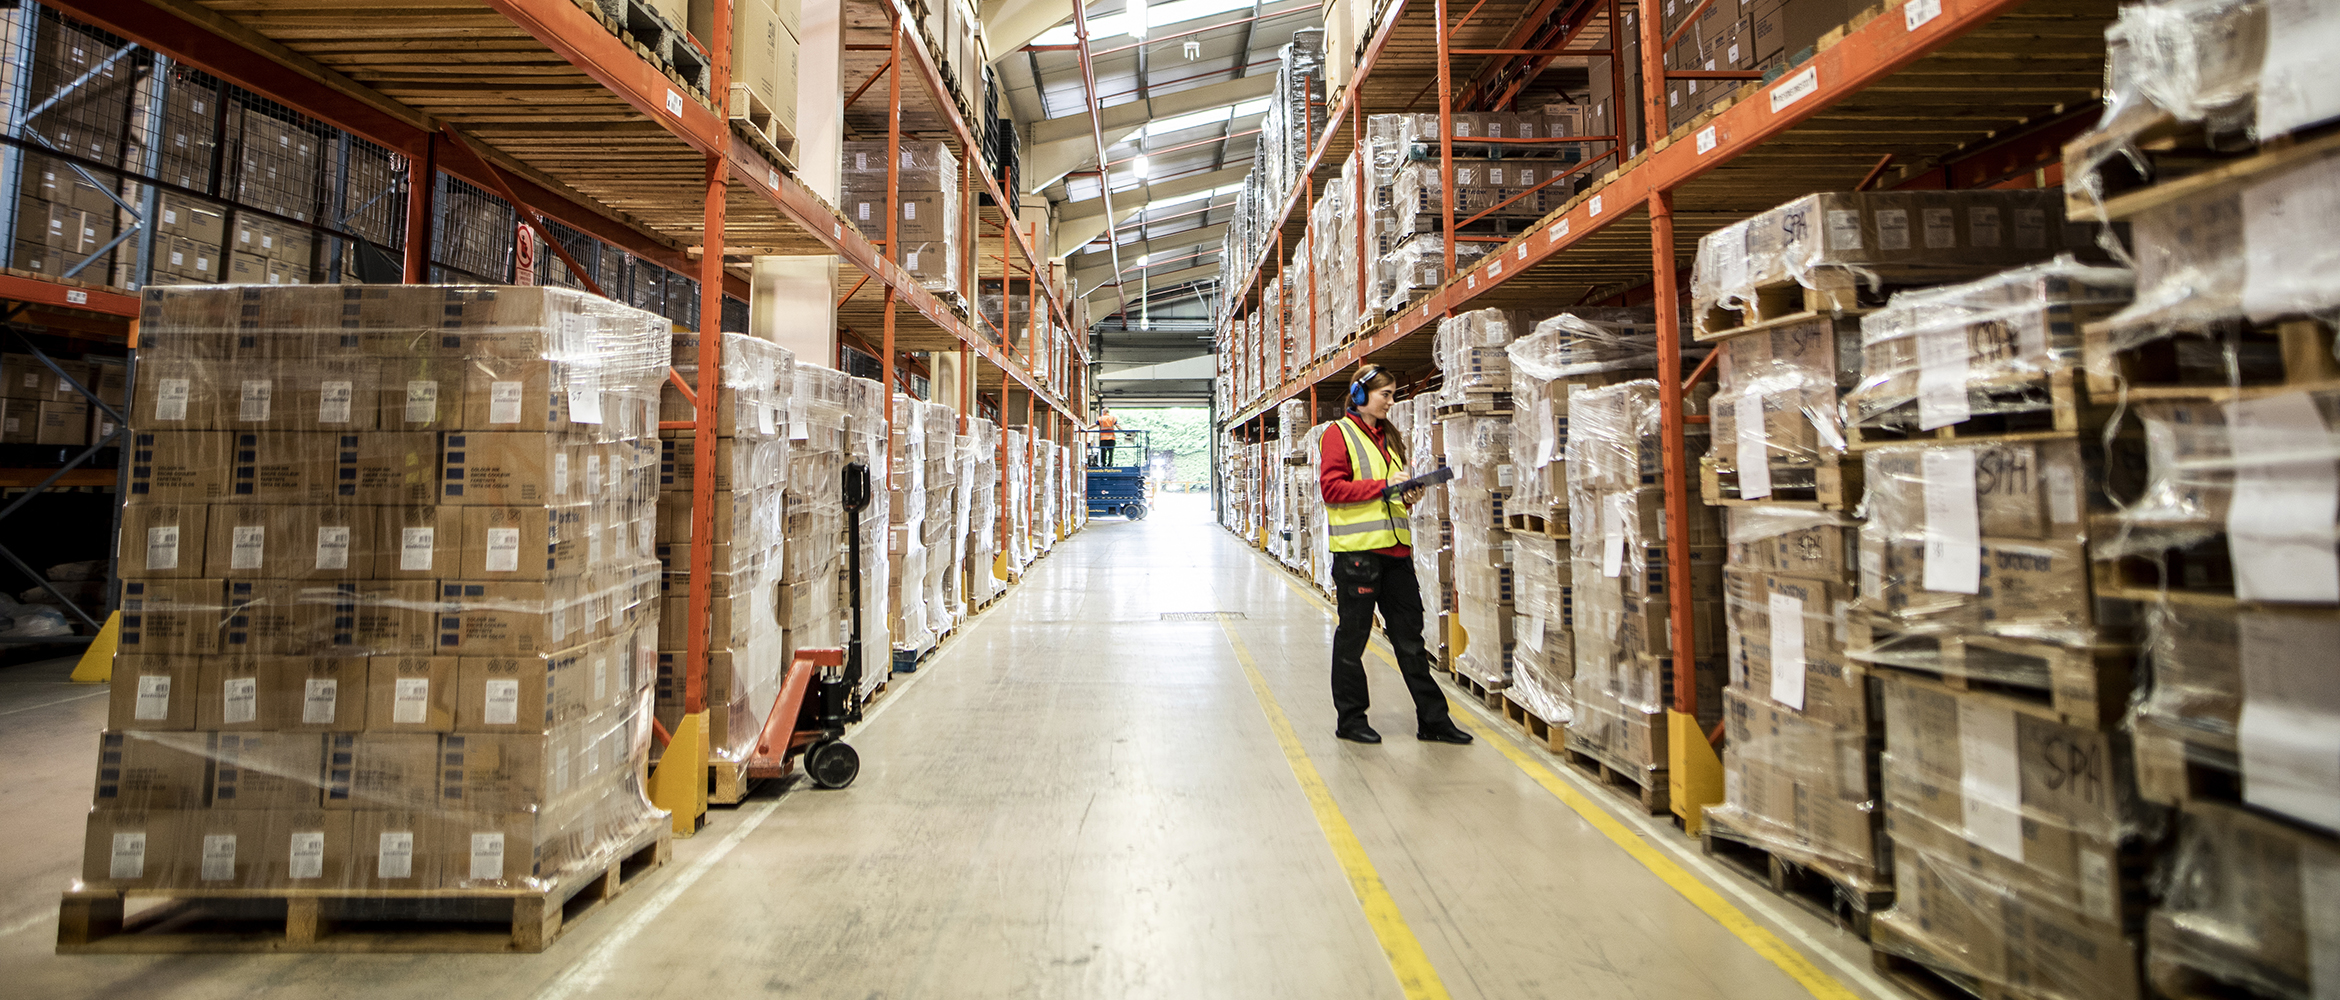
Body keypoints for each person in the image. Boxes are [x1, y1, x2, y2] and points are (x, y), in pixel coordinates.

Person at [1318, 365, 1472, 746]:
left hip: (1396, 553)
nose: (1390, 401)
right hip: (1358, 555)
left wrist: (1406, 493)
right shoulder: (1338, 435)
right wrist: (1384, 485)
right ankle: (1351, 720)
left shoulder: (1389, 437)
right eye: (1384, 394)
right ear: (1359, 395)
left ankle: (1434, 720)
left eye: (1392, 394)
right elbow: (1332, 489)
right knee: (1353, 640)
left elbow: (1386, 493)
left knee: (1410, 639)